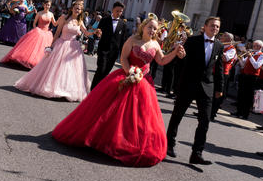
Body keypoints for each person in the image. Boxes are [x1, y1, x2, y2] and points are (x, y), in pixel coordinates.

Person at [53, 15, 185, 166]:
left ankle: (126, 143)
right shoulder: (133, 40)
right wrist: (130, 72)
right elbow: (123, 58)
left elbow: (161, 61)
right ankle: (101, 138)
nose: (153, 30)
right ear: (143, 27)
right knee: (110, 111)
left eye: (155, 28)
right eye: (150, 27)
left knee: (137, 118)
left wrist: (174, 53)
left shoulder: (155, 44)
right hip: (126, 75)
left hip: (144, 83)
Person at [15, 0, 100, 101]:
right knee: (56, 68)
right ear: (72, 8)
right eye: (76, 8)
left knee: (70, 70)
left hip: (73, 48)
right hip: (62, 44)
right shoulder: (64, 18)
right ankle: (52, 88)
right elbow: (57, 33)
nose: (77, 10)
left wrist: (94, 32)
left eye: (79, 9)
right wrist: (51, 46)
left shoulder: (80, 21)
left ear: (81, 11)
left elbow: (86, 33)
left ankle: (66, 90)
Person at [166, 16, 224, 165]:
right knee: (177, 115)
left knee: (204, 120)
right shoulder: (192, 41)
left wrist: (219, 88)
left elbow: (218, 68)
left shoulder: (219, 45)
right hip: (188, 84)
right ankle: (169, 144)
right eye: (212, 26)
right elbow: (182, 61)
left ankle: (197, 153)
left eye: (217, 27)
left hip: (207, 86)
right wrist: (177, 83)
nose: (215, 29)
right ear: (205, 26)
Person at [2, 0, 56, 69]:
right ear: (43, 5)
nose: (47, 6)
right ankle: (29, 60)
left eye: (48, 5)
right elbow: (34, 23)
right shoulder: (39, 13)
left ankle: (40, 62)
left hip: (47, 34)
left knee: (42, 49)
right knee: (34, 47)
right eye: (46, 5)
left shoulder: (51, 14)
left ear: (50, 6)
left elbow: (54, 24)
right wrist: (36, 29)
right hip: (39, 31)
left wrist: (62, 20)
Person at [91, 1, 126, 90]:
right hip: (103, 49)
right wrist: (97, 34)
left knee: (106, 72)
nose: (119, 13)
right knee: (100, 70)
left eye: (121, 11)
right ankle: (93, 91)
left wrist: (123, 54)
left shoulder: (123, 24)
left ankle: (100, 90)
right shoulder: (105, 20)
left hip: (114, 52)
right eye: (117, 11)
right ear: (113, 10)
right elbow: (97, 32)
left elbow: (122, 40)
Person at [234, 40, 263, 119]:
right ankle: (238, 112)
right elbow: (243, 65)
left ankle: (245, 114)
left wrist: (250, 57)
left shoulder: (262, 55)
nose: (253, 47)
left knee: (248, 96)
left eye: (255, 46)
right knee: (241, 94)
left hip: (252, 77)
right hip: (244, 75)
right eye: (253, 45)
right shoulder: (251, 54)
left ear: (260, 47)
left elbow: (256, 66)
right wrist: (240, 58)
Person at [211, 32, 236, 120]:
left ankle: (212, 113)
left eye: (224, 36)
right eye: (222, 35)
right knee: (210, 91)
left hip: (223, 73)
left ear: (229, 39)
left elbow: (225, 58)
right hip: (213, 70)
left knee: (218, 93)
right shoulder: (219, 45)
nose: (221, 37)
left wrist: (219, 48)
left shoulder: (232, 49)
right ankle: (205, 111)